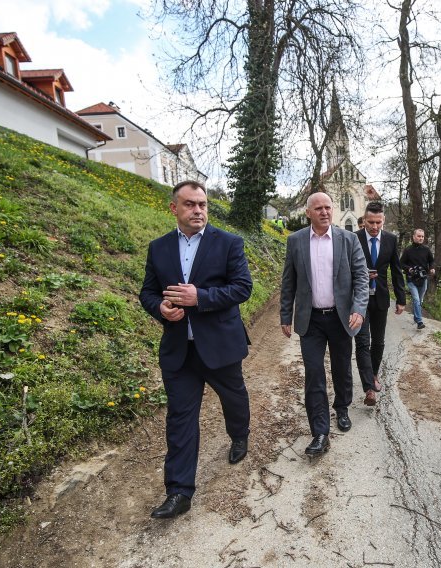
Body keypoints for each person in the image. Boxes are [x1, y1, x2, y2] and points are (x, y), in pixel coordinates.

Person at [140, 180, 253, 518]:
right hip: (179, 349)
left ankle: (239, 435)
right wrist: (160, 308)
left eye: (202, 204)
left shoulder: (229, 243)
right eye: (190, 204)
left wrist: (199, 297)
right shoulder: (158, 248)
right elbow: (147, 292)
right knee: (180, 419)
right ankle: (179, 492)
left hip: (220, 345)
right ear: (174, 208)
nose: (198, 211)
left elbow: (242, 288)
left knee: (233, 398)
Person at [280, 192, 369, 456]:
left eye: (328, 207)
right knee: (314, 373)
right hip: (311, 321)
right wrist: (286, 315)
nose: (324, 212)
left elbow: (361, 278)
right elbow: (289, 282)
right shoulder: (295, 241)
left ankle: (342, 408)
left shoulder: (349, 239)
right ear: (308, 212)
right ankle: (320, 431)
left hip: (341, 317)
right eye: (318, 208)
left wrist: (359, 309)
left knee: (342, 367)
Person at [355, 202, 405, 405]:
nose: (374, 227)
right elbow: (346, 267)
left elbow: (396, 269)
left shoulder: (391, 240)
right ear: (364, 220)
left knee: (378, 342)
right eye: (370, 222)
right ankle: (369, 387)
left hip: (381, 297)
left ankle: (373, 374)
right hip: (359, 298)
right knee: (362, 342)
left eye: (378, 222)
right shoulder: (354, 239)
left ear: (383, 220)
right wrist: (361, 275)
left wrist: (401, 299)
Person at [400, 228, 435, 329]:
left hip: (423, 279)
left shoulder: (426, 250)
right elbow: (401, 263)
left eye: (422, 236)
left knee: (419, 300)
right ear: (414, 237)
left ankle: (416, 317)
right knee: (416, 299)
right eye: (419, 236)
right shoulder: (408, 250)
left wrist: (432, 268)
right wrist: (409, 269)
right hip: (411, 279)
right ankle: (420, 321)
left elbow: (431, 261)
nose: (421, 238)